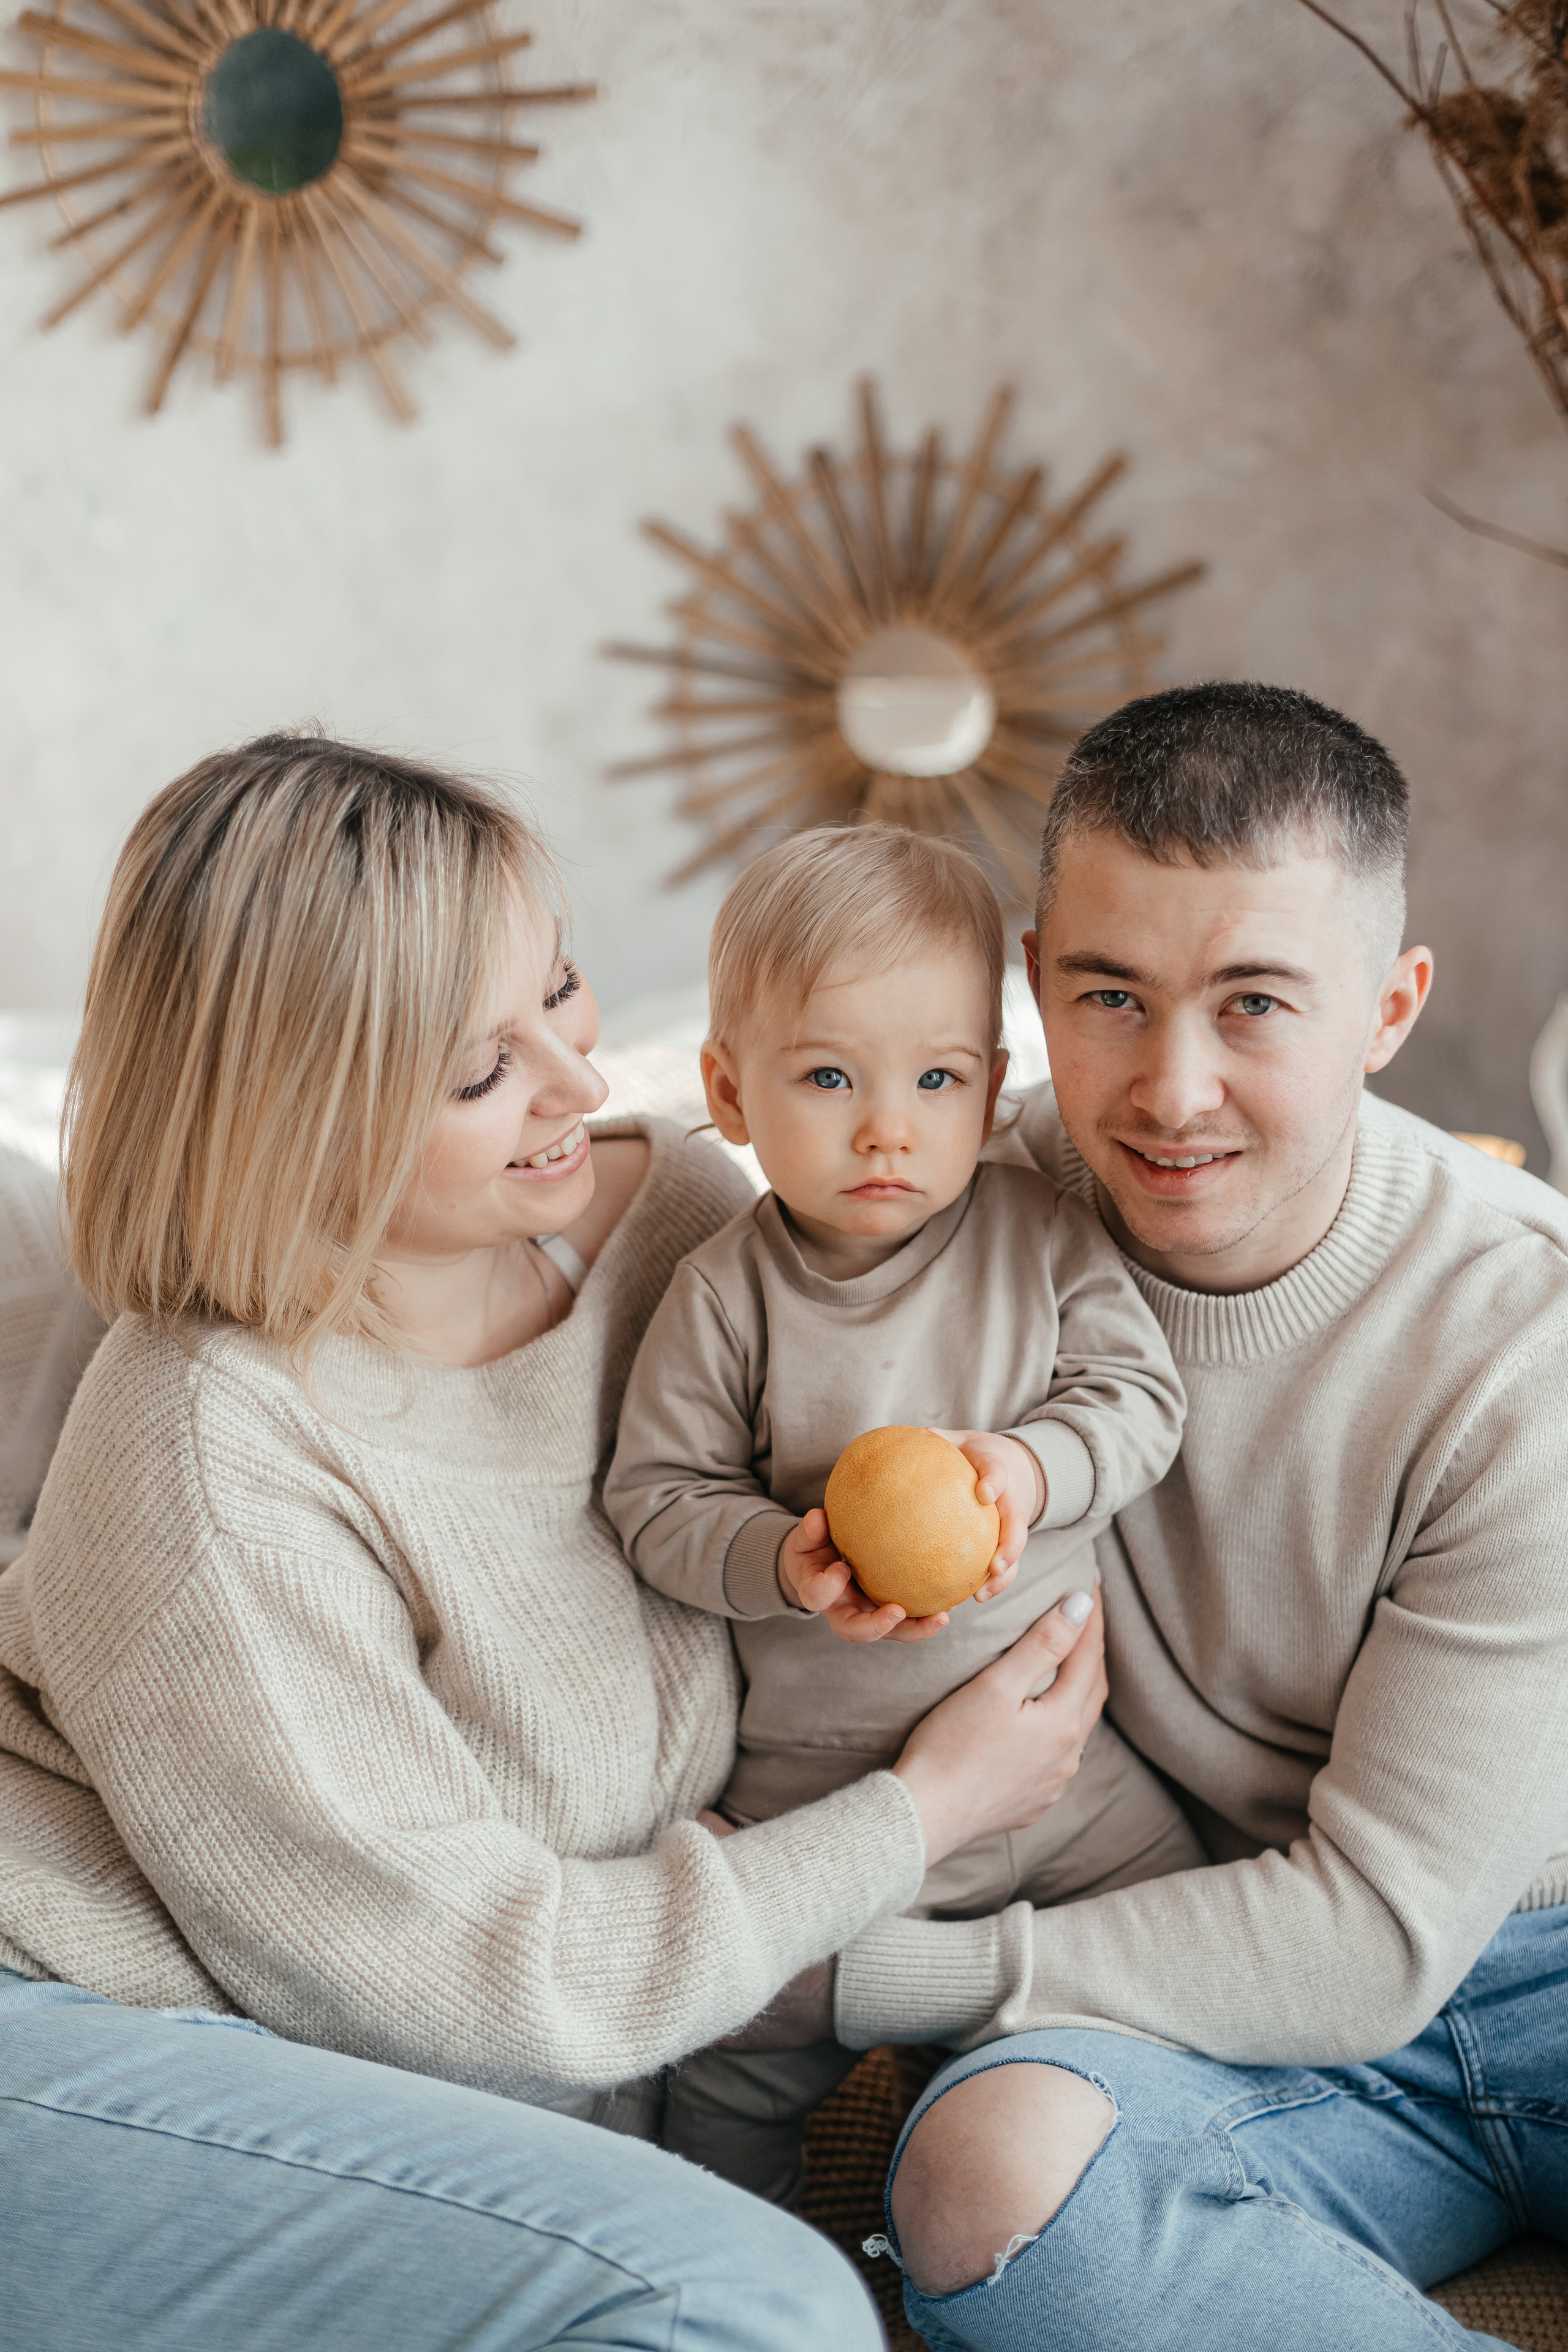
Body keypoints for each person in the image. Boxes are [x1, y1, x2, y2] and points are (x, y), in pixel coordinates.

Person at [0, 733, 1112, 2352]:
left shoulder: (669, 1215)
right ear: (297, 1114)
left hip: (415, 2035)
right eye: (480, 1073)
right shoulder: (208, 1444)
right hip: (72, 2015)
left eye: (566, 992)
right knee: (750, 2310)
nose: (582, 1087)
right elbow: (459, 1996)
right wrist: (920, 1812)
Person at [831, 684, 1568, 2351]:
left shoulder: (1524, 1336)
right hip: (1239, 2008)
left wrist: (855, 1977)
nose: (1173, 1090)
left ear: (1389, 1008)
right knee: (980, 2179)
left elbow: (1377, 1932)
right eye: (1113, 995)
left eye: (1254, 1007)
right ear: (1032, 984)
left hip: (1530, 1952)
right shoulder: (946, 1222)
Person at [605, 821, 1200, 2203]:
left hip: (1073, 1784)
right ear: (727, 1091)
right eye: (826, 1076)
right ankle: (746, 2263)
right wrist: (779, 1556)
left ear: (994, 1089)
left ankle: (1108, 2182)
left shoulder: (1037, 1238)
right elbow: (654, 1502)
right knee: (728, 2069)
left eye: (935, 1077)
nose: (887, 1127)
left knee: (1166, 1977)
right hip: (822, 1799)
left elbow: (1137, 1399)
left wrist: (1028, 1467)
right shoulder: (723, 1294)